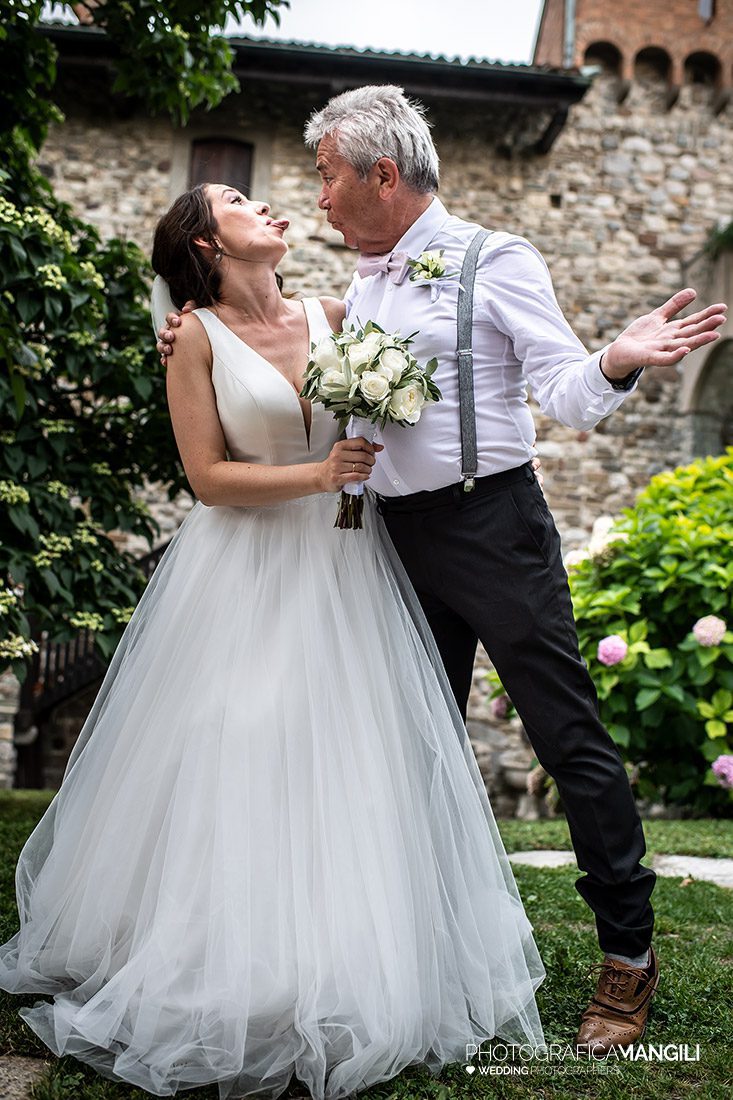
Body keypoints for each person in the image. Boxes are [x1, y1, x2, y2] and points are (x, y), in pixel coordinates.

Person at [156, 86, 727, 1055]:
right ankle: (417, 953)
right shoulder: (358, 286)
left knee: (567, 734)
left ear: (384, 173)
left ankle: (626, 955)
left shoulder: (495, 257)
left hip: (493, 526)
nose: (320, 200)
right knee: (405, 754)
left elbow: (563, 394)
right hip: (385, 541)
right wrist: (190, 322)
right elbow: (273, 336)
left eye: (332, 176)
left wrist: (617, 360)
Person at [0, 182, 546, 1099]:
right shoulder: (195, 342)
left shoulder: (336, 311)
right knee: (244, 746)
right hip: (243, 572)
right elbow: (209, 479)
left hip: (350, 568)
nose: (270, 206)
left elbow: (430, 361)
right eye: (238, 200)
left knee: (352, 753)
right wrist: (320, 471)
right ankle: (231, 964)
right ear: (206, 245)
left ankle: (356, 958)